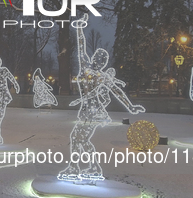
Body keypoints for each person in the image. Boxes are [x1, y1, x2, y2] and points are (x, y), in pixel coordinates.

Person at [58, 14, 144, 183]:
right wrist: (79, 28)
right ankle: (93, 167)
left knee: (77, 138)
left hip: (92, 111)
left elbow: (117, 91)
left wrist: (79, 28)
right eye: (98, 56)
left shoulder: (89, 70)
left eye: (98, 57)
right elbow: (117, 91)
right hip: (91, 111)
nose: (96, 58)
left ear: (99, 60)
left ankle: (77, 167)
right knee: (81, 139)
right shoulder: (94, 72)